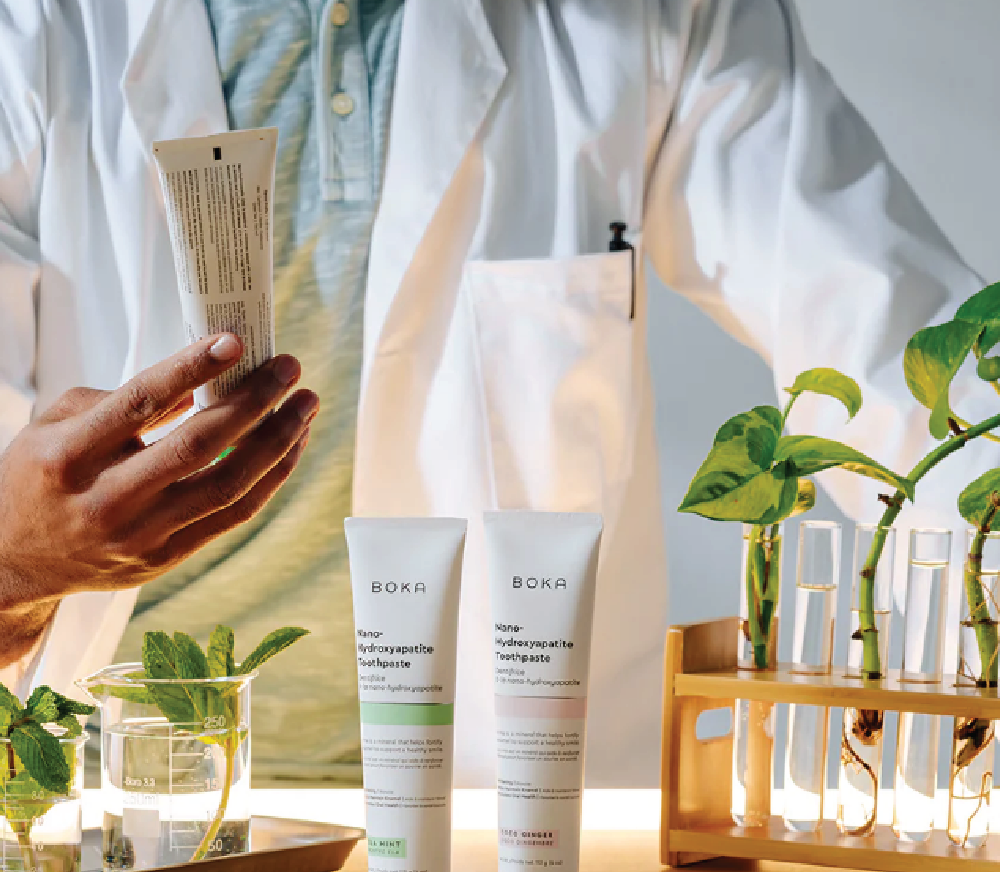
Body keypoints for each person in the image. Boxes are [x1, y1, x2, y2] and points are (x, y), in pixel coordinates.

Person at [0, 0, 991, 788]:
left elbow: (900, 345)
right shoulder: (35, 31)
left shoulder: (643, 21)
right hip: (128, 823)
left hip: (520, 845)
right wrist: (15, 563)